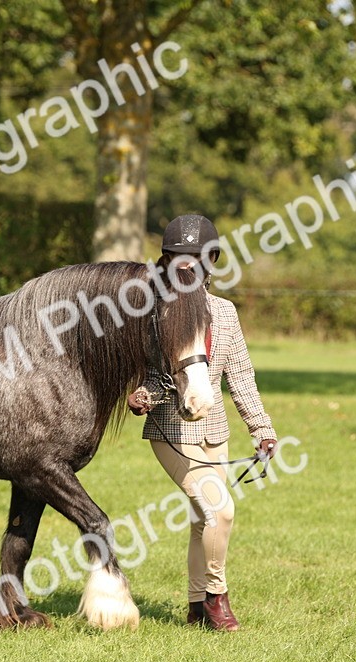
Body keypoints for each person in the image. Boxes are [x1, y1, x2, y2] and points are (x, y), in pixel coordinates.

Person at [127, 214, 277, 632]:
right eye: (178, 257)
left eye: (195, 257)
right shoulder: (152, 310)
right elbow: (144, 374)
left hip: (215, 432)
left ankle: (194, 606)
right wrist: (143, 397)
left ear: (211, 259)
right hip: (171, 431)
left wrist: (261, 428)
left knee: (202, 521)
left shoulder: (226, 314)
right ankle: (216, 598)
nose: (187, 265)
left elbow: (241, 376)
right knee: (221, 511)